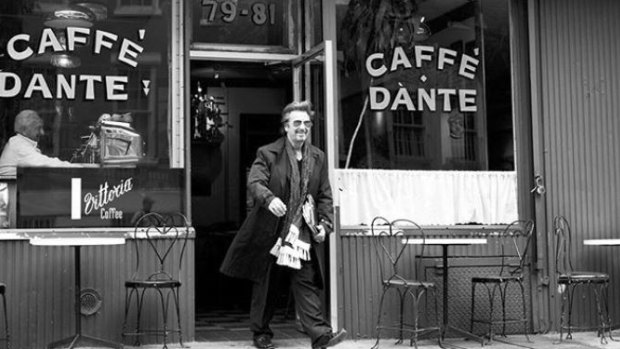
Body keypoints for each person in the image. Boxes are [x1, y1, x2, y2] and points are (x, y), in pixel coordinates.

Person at [220, 101, 346, 349]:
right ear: (286, 126)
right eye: (297, 123)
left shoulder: (318, 157)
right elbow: (255, 182)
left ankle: (320, 335)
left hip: (301, 234)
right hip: (271, 232)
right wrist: (269, 199)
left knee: (306, 281)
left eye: (306, 123)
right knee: (266, 283)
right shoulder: (267, 153)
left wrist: (325, 224)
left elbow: (324, 196)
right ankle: (261, 332)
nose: (302, 128)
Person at [0, 109, 76, 176]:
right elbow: (44, 163)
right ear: (24, 131)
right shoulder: (18, 145)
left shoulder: (19, 143)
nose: (42, 133)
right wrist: (78, 168)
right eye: (38, 128)